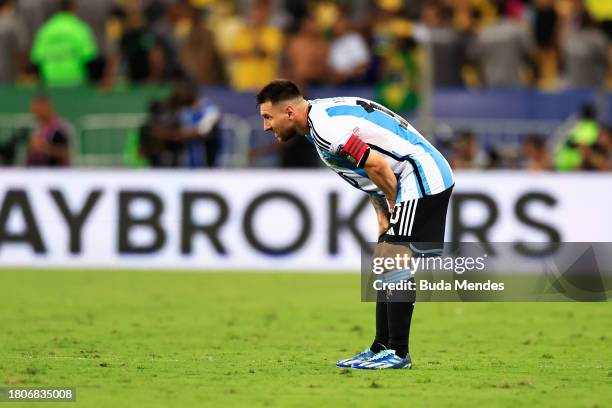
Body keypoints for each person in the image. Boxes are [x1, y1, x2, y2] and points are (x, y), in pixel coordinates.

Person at [256, 79, 454, 370]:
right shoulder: (317, 119)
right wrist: (382, 215)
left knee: (393, 258)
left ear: (288, 112)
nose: (266, 127)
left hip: (421, 176)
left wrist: (394, 206)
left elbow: (378, 167)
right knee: (383, 259)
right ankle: (381, 347)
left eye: (267, 117)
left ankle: (398, 353)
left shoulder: (326, 131)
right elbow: (368, 172)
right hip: (409, 175)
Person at [30, 0, 97, 87]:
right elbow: (90, 57)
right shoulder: (79, 28)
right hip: (76, 82)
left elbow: (36, 58)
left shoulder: (46, 29)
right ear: (74, 7)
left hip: (50, 83)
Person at [26, 95, 70, 166]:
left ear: (48, 107)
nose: (35, 112)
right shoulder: (37, 128)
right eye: (34, 109)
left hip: (54, 173)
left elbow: (66, 153)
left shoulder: (59, 128)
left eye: (39, 109)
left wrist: (45, 147)